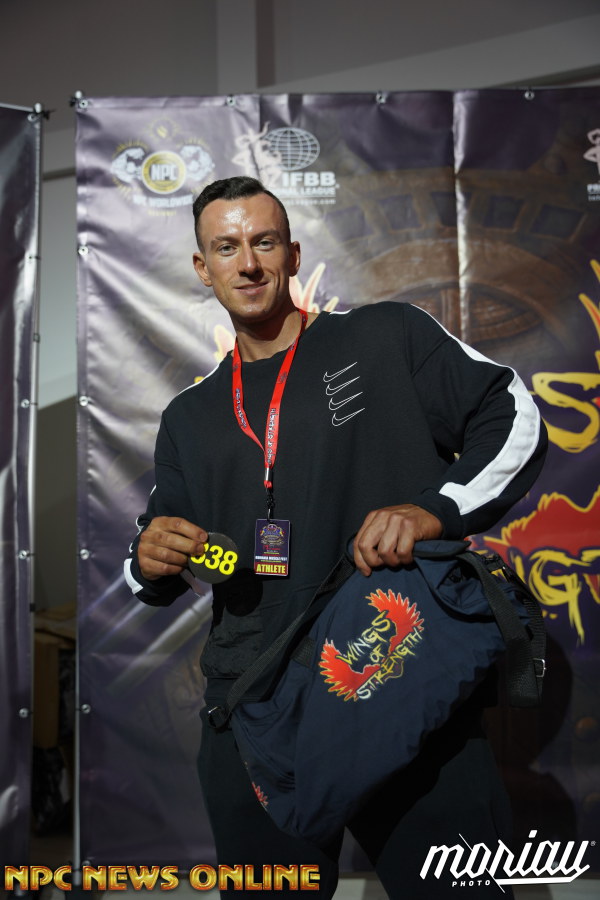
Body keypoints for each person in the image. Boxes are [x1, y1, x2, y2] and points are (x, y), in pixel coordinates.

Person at [125, 175, 547, 898]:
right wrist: (150, 558)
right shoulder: (189, 417)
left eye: (263, 243)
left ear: (292, 255)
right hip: (258, 707)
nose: (247, 264)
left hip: (397, 672)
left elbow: (514, 416)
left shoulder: (384, 336)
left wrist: (435, 510)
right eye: (226, 248)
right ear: (203, 268)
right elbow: (154, 561)